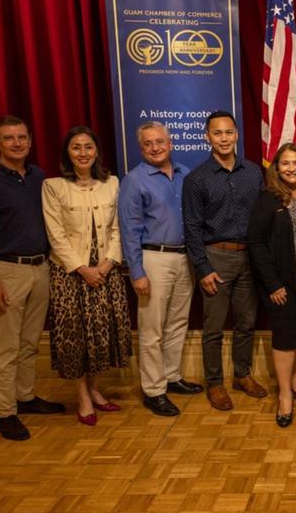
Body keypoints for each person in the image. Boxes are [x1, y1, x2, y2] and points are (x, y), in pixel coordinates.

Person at [0, 115, 66, 441]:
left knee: (29, 342)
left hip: (40, 268)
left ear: (30, 141)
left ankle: (25, 397)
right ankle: (5, 412)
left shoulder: (38, 176)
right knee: (6, 346)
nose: (17, 143)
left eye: (22, 137)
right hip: (5, 270)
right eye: (9, 138)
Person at [42, 126, 132, 426]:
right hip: (71, 274)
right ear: (68, 153)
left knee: (102, 333)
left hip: (106, 270)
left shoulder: (113, 183)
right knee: (76, 335)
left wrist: (106, 265)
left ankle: (95, 389)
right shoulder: (53, 186)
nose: (83, 153)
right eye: (76, 148)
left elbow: (121, 227)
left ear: (97, 152)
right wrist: (83, 269)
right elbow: (55, 235)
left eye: (88, 147)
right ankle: (82, 396)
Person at [183, 111, 266, 411]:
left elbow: (262, 217)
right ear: (208, 137)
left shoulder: (254, 172)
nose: (223, 138)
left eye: (228, 132)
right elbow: (191, 227)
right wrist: (203, 268)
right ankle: (215, 383)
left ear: (237, 135)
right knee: (214, 326)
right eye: (217, 133)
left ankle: (242, 374)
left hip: (249, 256)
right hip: (215, 257)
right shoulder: (196, 179)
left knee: (246, 321)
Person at [119, 122, 203, 418]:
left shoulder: (185, 174)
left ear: (170, 143)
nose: (155, 147)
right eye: (148, 144)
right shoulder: (134, 181)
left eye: (160, 142)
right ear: (140, 148)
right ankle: (154, 390)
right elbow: (129, 230)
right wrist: (137, 272)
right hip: (153, 258)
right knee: (152, 329)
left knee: (177, 322)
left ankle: (171, 376)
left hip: (185, 258)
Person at [247, 143, 296, 428]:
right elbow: (256, 243)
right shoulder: (268, 198)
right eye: (285, 164)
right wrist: (273, 283)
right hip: (282, 283)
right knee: (286, 337)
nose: (291, 168)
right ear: (276, 168)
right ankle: (285, 395)